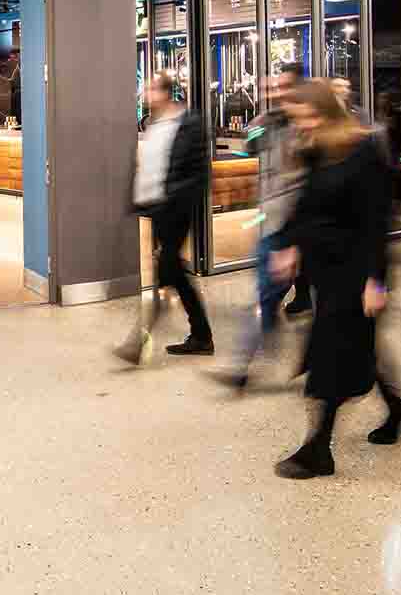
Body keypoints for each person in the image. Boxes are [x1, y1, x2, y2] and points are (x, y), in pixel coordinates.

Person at [270, 80, 401, 479]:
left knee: (330, 355)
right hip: (325, 268)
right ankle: (397, 411)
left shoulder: (365, 152)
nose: (303, 126)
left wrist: (375, 281)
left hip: (357, 270)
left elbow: (376, 222)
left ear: (326, 113)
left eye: (308, 117)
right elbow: (307, 205)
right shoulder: (316, 149)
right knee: (356, 344)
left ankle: (318, 448)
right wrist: (290, 246)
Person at [120, 72, 214, 360]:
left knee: (168, 269)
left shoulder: (189, 124)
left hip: (175, 209)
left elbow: (198, 174)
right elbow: (150, 166)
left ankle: (139, 341)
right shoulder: (153, 124)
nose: (144, 94)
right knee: (172, 273)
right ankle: (200, 334)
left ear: (164, 92)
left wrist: (174, 199)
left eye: (149, 89)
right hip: (157, 208)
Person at [224, 63, 306, 385]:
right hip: (274, 223)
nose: (278, 92)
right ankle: (242, 363)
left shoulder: (311, 126)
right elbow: (249, 145)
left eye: (284, 87)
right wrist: (261, 117)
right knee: (266, 294)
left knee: (333, 303)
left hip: (303, 226)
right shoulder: (268, 124)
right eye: (274, 88)